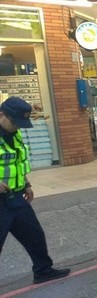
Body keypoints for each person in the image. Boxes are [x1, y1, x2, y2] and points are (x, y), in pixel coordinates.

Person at [0, 97, 71, 284]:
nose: (17, 126)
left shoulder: (14, 134)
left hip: (15, 196)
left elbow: (16, 162)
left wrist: (26, 183)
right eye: (14, 122)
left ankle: (43, 270)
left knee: (34, 235)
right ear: (2, 115)